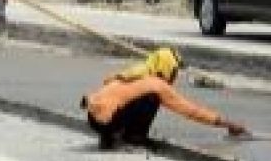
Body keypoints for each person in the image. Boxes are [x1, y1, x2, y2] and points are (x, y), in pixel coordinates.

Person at [81, 47, 248, 150]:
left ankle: (109, 138)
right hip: (107, 121)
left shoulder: (137, 72)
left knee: (129, 101)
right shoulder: (157, 85)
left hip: (93, 118)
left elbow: (107, 85)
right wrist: (228, 123)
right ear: (166, 68)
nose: (175, 75)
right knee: (152, 99)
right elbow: (191, 111)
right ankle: (134, 138)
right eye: (174, 71)